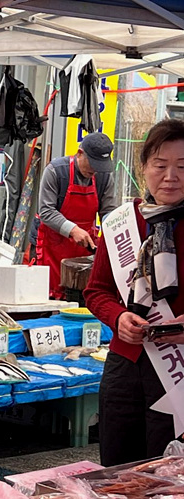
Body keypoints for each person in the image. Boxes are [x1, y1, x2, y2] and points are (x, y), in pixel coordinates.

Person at [85, 119, 184, 466]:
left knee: (167, 475)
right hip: (124, 365)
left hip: (178, 369)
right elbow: (96, 291)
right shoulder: (121, 223)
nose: (170, 176)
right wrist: (118, 317)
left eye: (182, 166)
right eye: (160, 165)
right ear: (143, 168)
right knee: (117, 471)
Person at [37, 131, 116, 299]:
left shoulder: (103, 176)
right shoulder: (56, 171)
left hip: (85, 247)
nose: (95, 170)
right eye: (93, 163)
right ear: (80, 153)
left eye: (100, 165)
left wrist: (113, 235)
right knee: (51, 298)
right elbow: (46, 211)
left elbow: (108, 212)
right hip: (53, 247)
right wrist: (73, 230)